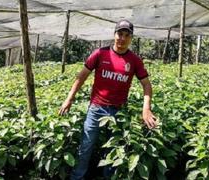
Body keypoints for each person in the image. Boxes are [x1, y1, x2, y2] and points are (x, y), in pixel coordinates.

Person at [58, 19, 157, 180]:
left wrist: (146, 109)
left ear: (131, 38)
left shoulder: (134, 60)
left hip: (118, 110)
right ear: (114, 34)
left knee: (114, 149)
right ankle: (77, 177)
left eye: (127, 35)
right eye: (120, 33)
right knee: (86, 146)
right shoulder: (100, 54)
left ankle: (108, 177)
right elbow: (81, 77)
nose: (122, 38)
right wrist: (69, 99)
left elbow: (146, 84)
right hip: (96, 108)